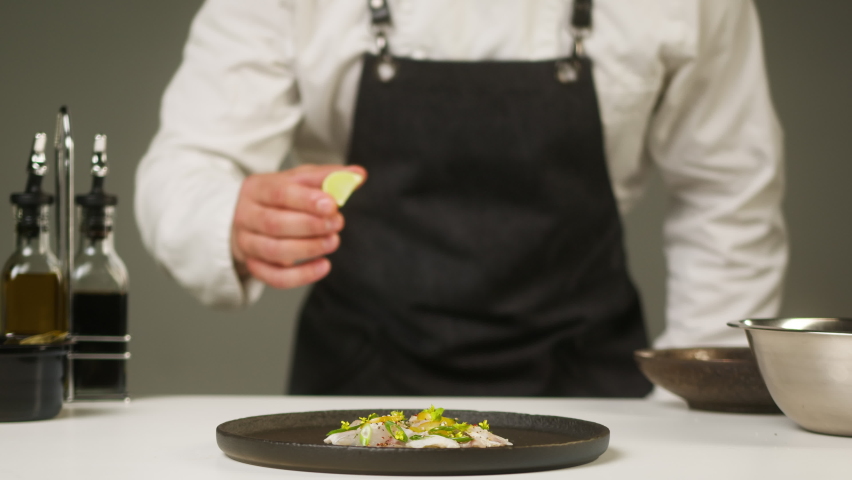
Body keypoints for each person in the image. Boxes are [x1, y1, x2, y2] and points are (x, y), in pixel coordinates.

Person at [135, 0, 786, 396]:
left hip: (595, 389)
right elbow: (186, 163)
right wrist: (231, 220)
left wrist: (699, 405)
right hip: (359, 389)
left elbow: (730, 194)